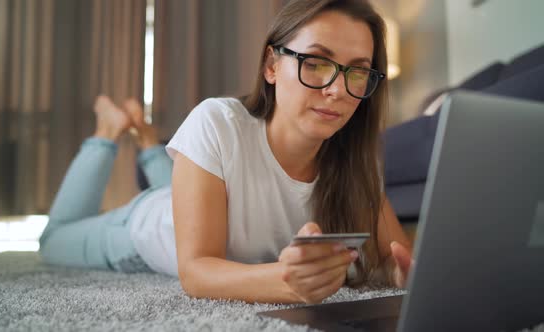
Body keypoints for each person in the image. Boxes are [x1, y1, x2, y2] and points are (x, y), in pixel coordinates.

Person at [39, 0, 413, 305]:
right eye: (315, 64)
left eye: (357, 72)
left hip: (206, 192)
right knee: (53, 240)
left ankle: (149, 140)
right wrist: (284, 281)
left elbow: (391, 260)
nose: (338, 90)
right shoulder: (216, 121)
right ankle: (108, 129)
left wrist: (398, 274)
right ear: (271, 65)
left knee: (190, 186)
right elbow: (196, 271)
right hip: (147, 227)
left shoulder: (357, 161)